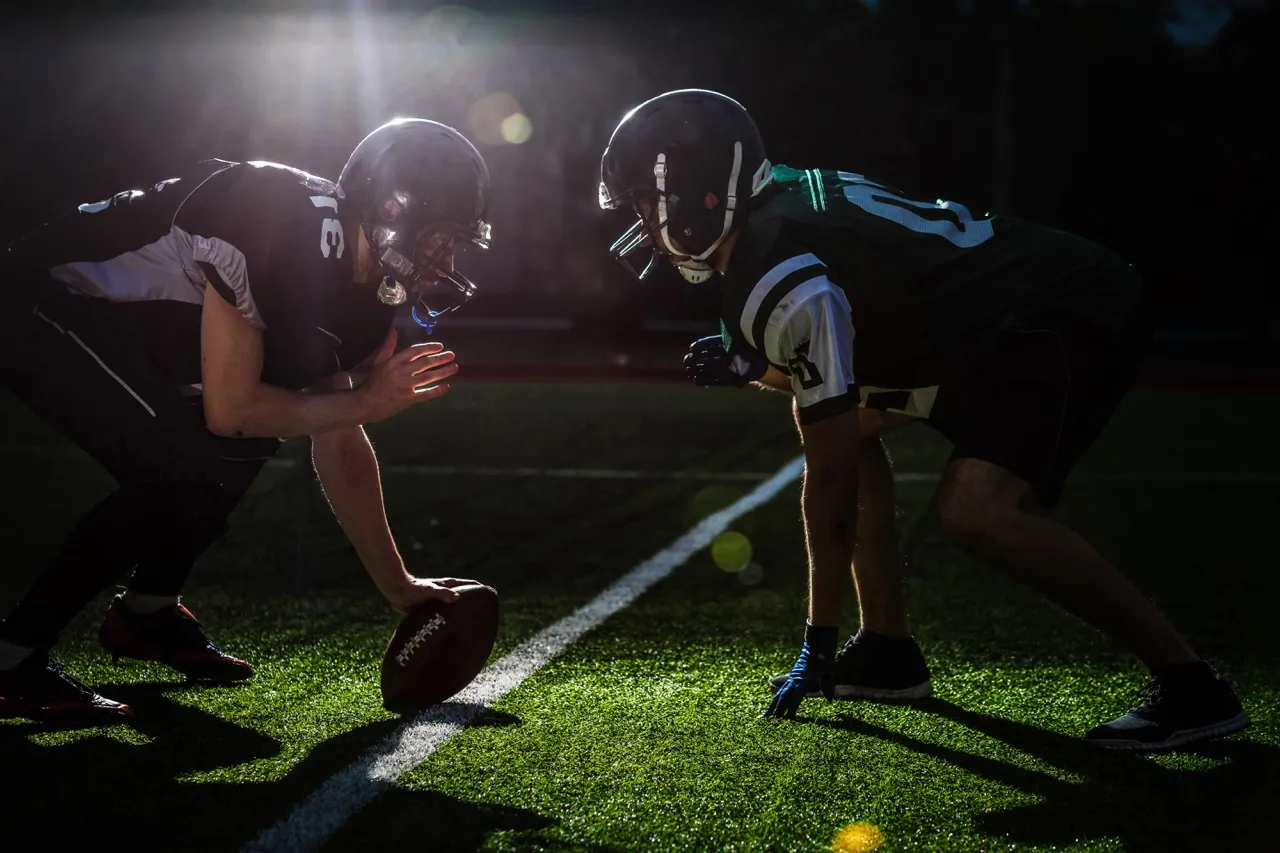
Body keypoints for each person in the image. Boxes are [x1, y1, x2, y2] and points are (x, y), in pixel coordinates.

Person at [596, 88, 1249, 751]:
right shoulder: (778, 206)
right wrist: (749, 367)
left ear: (703, 193)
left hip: (1057, 315)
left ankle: (1190, 683)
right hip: (997, 321)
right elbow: (828, 361)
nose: (646, 224)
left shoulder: (778, 266)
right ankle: (886, 649)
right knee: (857, 430)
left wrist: (816, 639)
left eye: (650, 204)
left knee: (979, 512)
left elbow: (829, 474)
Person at [0, 117, 493, 724]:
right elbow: (231, 410)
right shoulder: (276, 220)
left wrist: (399, 585)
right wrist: (368, 401)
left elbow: (337, 437)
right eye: (438, 236)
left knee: (250, 434)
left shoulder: (365, 294)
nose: (444, 259)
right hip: (35, 303)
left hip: (126, 331)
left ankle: (146, 614)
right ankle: (11, 656)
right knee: (181, 462)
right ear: (391, 208)